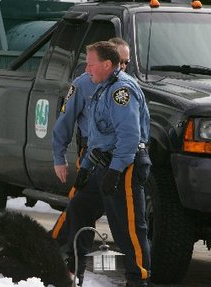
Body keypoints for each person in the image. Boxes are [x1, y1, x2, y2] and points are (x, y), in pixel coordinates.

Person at [69, 41, 151, 287]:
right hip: (100, 163)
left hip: (124, 165)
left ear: (106, 64)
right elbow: (98, 137)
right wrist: (84, 169)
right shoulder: (101, 87)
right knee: (78, 208)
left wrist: (115, 172)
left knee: (128, 228)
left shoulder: (120, 91)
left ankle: (138, 280)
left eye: (91, 64)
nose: (87, 68)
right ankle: (73, 271)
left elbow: (129, 137)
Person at [51, 38, 131, 284]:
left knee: (95, 210)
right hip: (91, 153)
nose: (123, 66)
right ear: (109, 62)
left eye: (127, 62)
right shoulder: (84, 83)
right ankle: (53, 248)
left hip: (119, 157)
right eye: (120, 61)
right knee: (79, 205)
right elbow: (65, 121)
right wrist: (59, 157)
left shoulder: (125, 86)